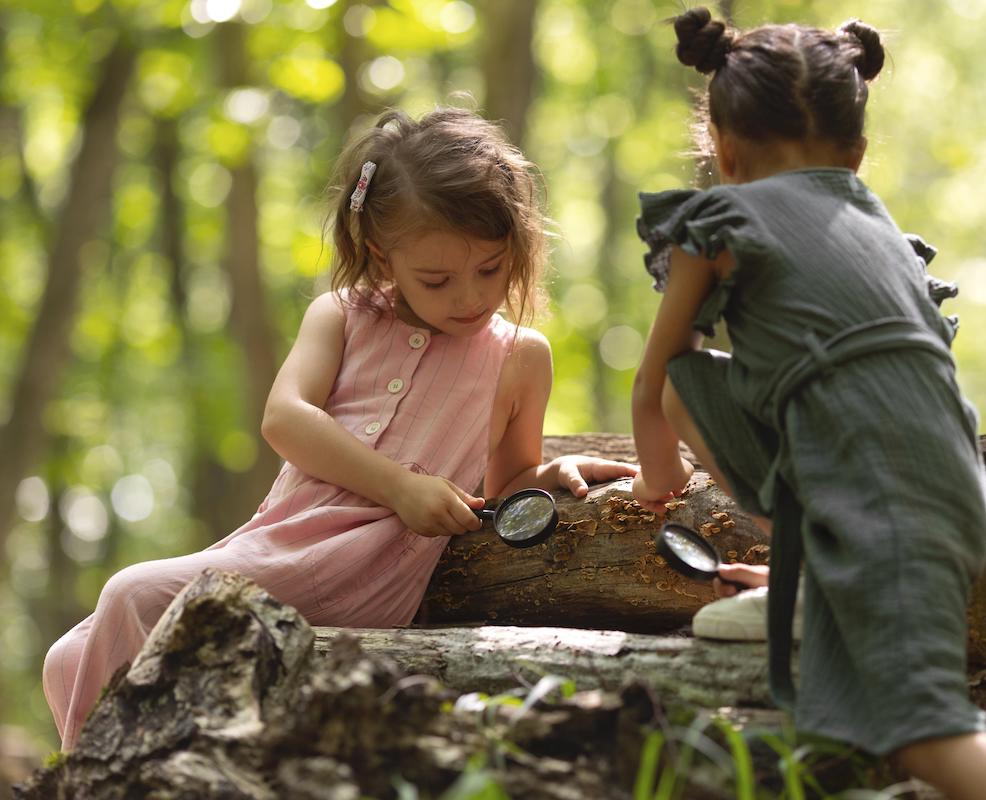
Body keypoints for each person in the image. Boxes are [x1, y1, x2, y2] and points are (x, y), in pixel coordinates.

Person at [43, 107, 637, 751]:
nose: (469, 297)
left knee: (131, 593)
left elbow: (506, 479)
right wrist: (401, 485)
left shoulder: (520, 356)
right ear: (382, 254)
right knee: (65, 659)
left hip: (363, 568)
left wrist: (553, 472)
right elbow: (284, 419)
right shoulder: (342, 316)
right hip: (279, 541)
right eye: (436, 279)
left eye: (490, 270)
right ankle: (134, 772)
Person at [629, 9, 986, 800]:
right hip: (948, 483)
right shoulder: (874, 223)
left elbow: (657, 378)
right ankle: (821, 585)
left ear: (722, 150)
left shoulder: (721, 219)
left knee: (930, 734)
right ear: (857, 155)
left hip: (885, 497)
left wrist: (654, 486)